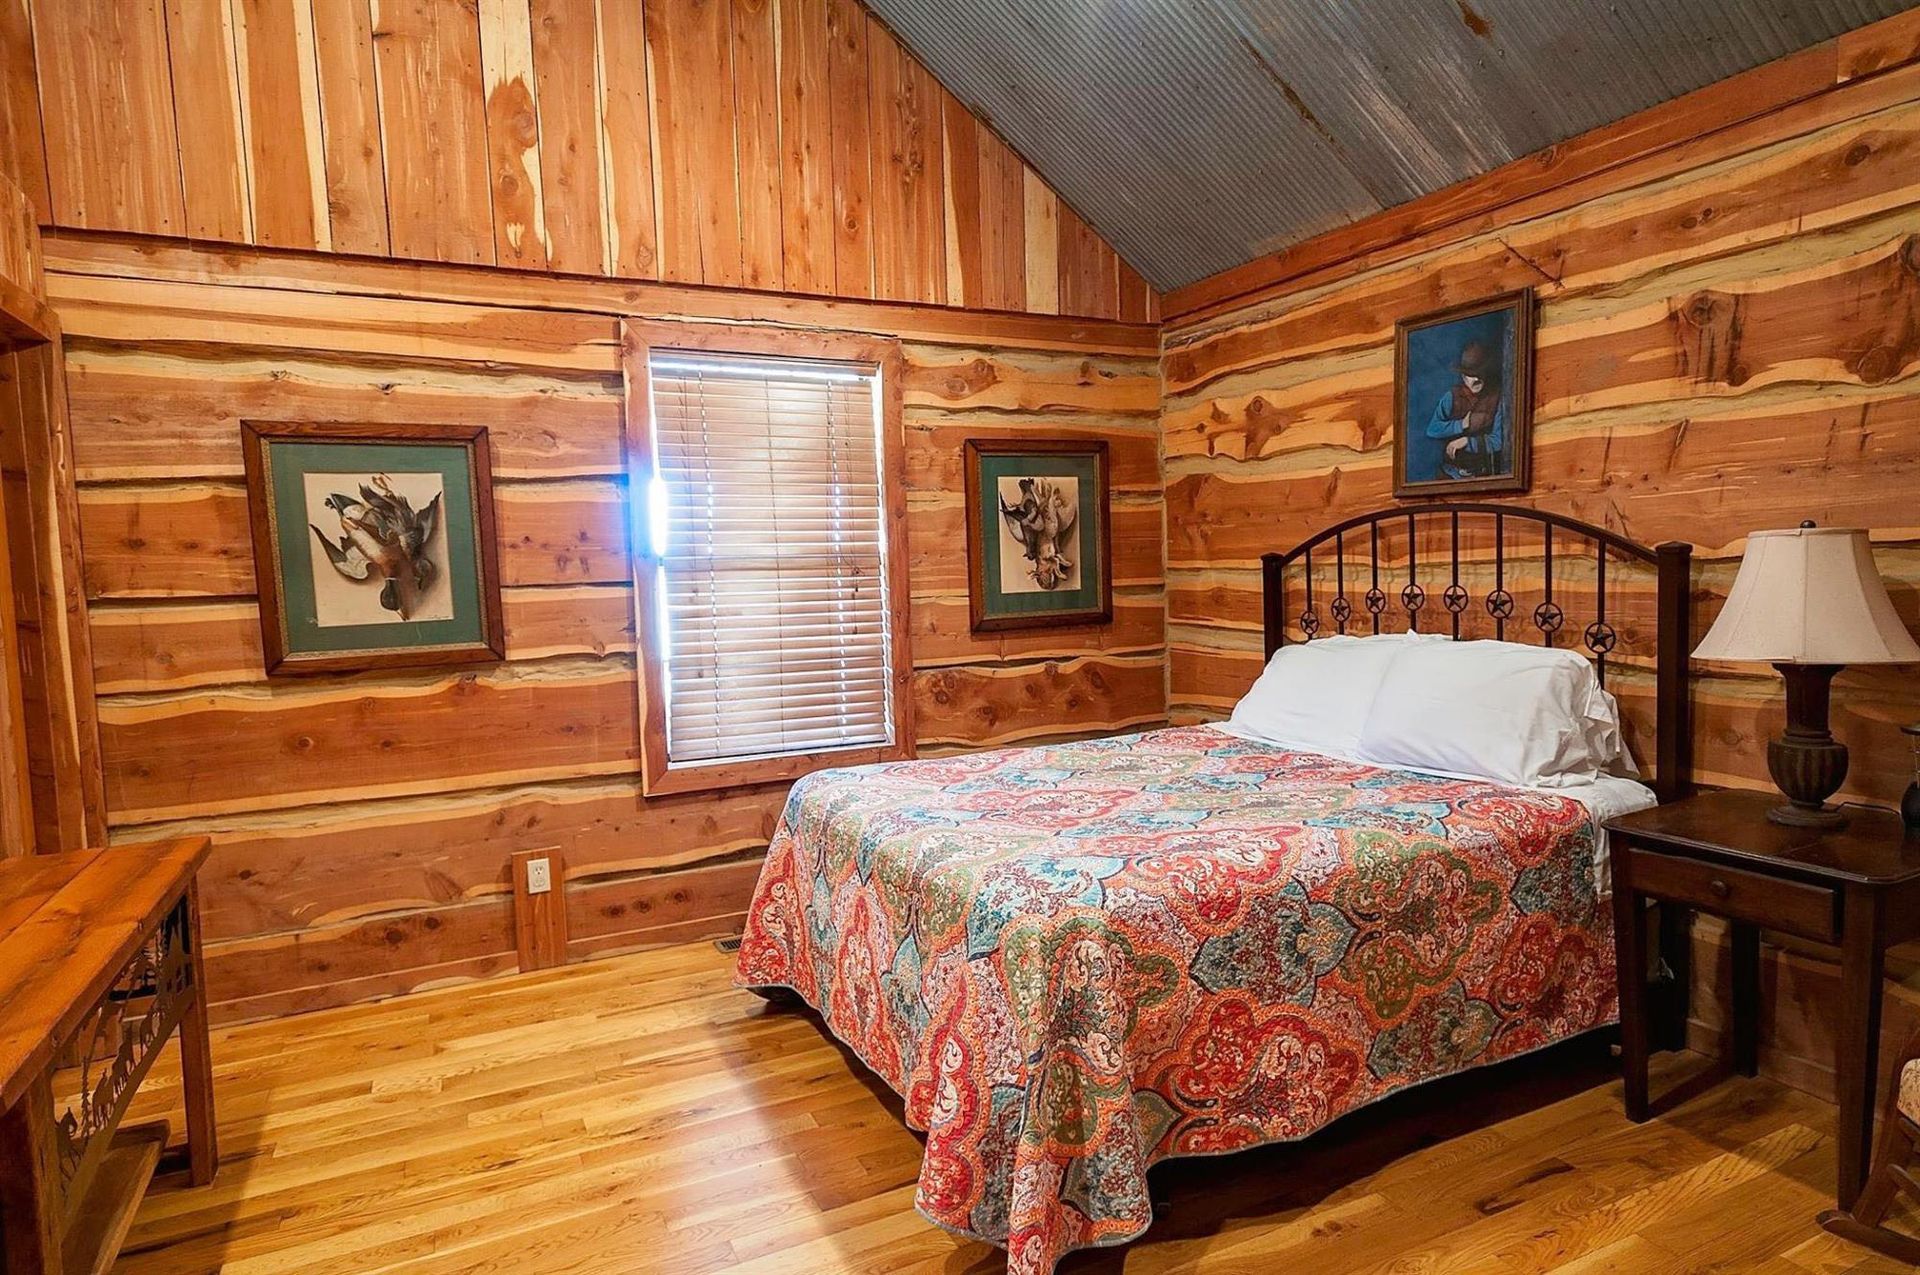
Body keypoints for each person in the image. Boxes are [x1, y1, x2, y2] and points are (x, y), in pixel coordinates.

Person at [1422, 340, 1506, 480]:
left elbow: (1498, 441)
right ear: (1463, 376)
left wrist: (1467, 442)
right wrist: (1461, 425)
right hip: (1450, 473)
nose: (1476, 378)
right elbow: (1433, 429)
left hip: (1482, 476)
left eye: (1480, 373)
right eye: (1470, 374)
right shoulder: (1452, 397)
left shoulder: (1496, 399)